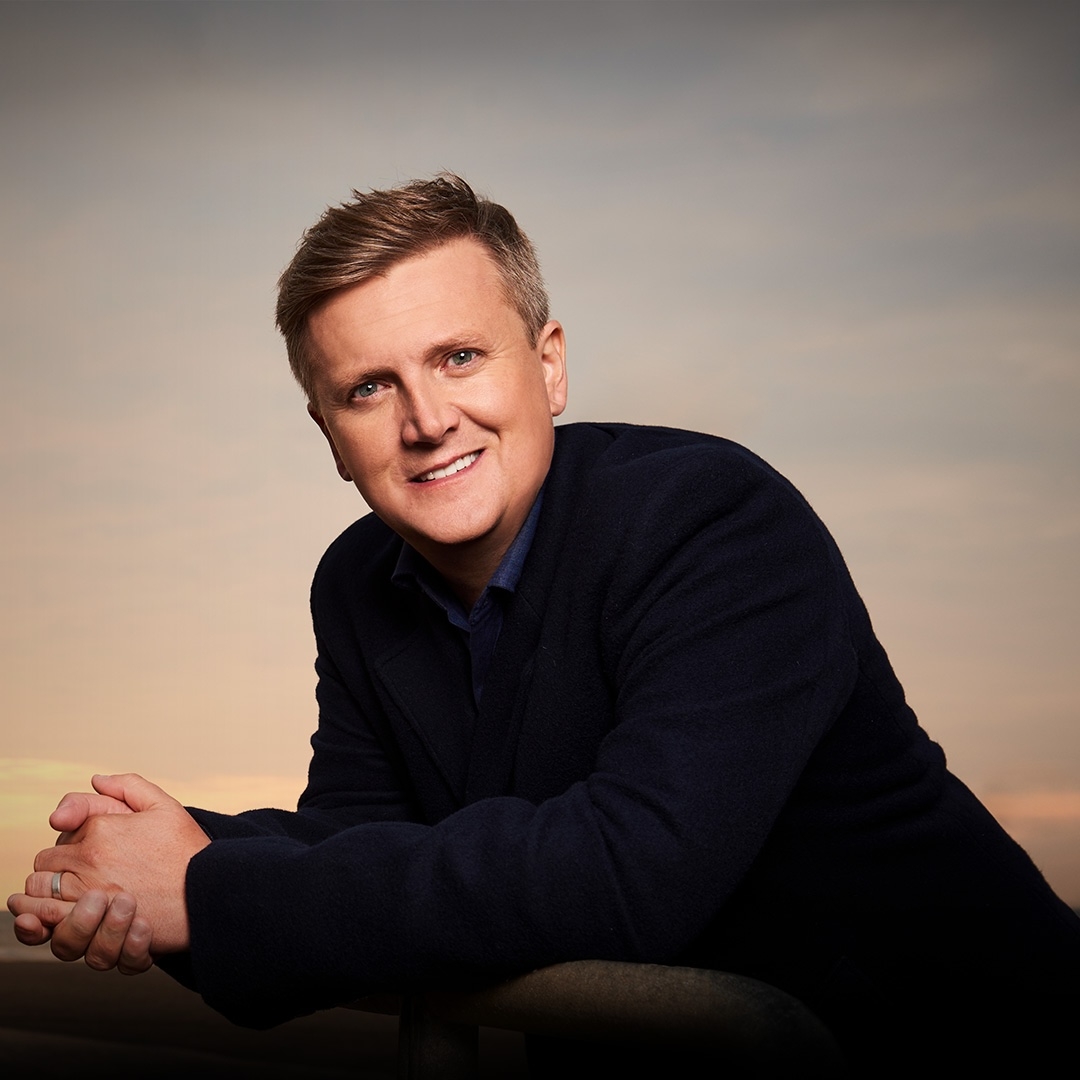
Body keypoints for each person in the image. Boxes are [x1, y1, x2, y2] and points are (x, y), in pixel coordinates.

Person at [9, 175, 1080, 1075]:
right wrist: (150, 858)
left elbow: (630, 871)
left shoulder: (712, 517)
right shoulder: (356, 581)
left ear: (551, 363)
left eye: (459, 358)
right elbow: (369, 854)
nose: (427, 421)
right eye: (370, 388)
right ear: (328, 433)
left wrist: (202, 889)